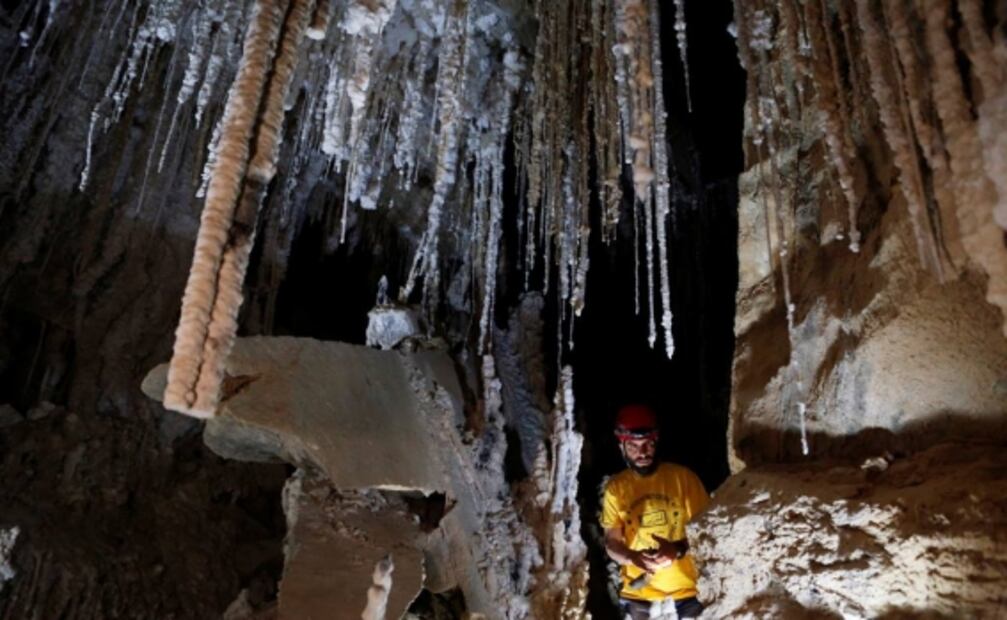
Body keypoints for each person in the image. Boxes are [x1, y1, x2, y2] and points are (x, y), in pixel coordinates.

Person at [600, 404, 710, 619]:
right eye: (634, 446)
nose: (642, 453)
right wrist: (633, 557)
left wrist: (676, 550)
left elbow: (708, 533)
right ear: (622, 446)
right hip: (639, 594)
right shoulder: (616, 488)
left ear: (656, 442)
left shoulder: (683, 479)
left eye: (647, 445)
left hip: (687, 591)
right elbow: (612, 543)